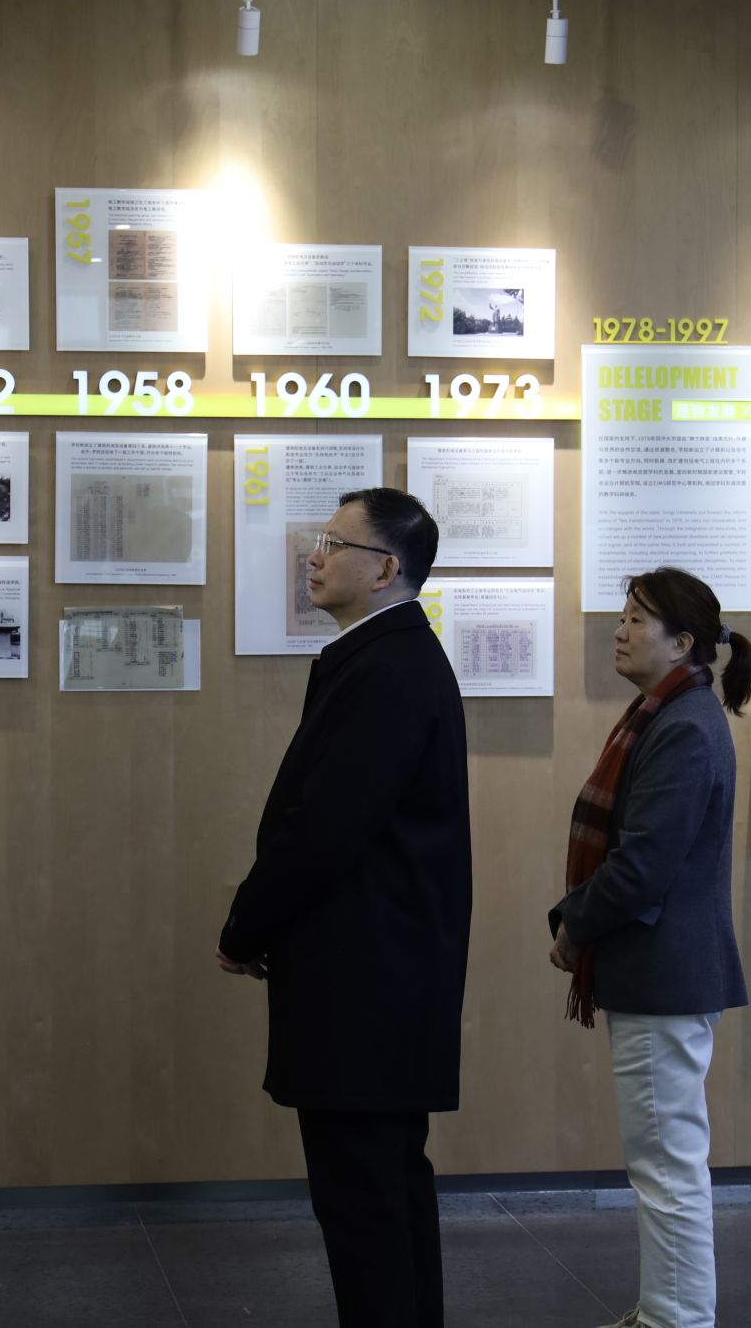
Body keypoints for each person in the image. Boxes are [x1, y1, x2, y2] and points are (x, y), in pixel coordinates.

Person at [218, 488, 472, 1328]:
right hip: (381, 980)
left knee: (366, 1205)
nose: (315, 555)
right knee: (387, 1193)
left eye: (335, 543)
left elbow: (323, 830)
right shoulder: (385, 657)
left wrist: (246, 924)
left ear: (386, 568)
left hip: (366, 984)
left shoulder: (388, 667)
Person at [548, 568, 751, 1328]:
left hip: (663, 975)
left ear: (682, 642)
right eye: (623, 616)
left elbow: (641, 868)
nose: (620, 630)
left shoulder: (684, 724)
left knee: (667, 1164)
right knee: (665, 1160)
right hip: (660, 973)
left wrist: (573, 923)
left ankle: (677, 1319)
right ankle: (667, 1310)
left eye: (638, 619)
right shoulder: (668, 714)